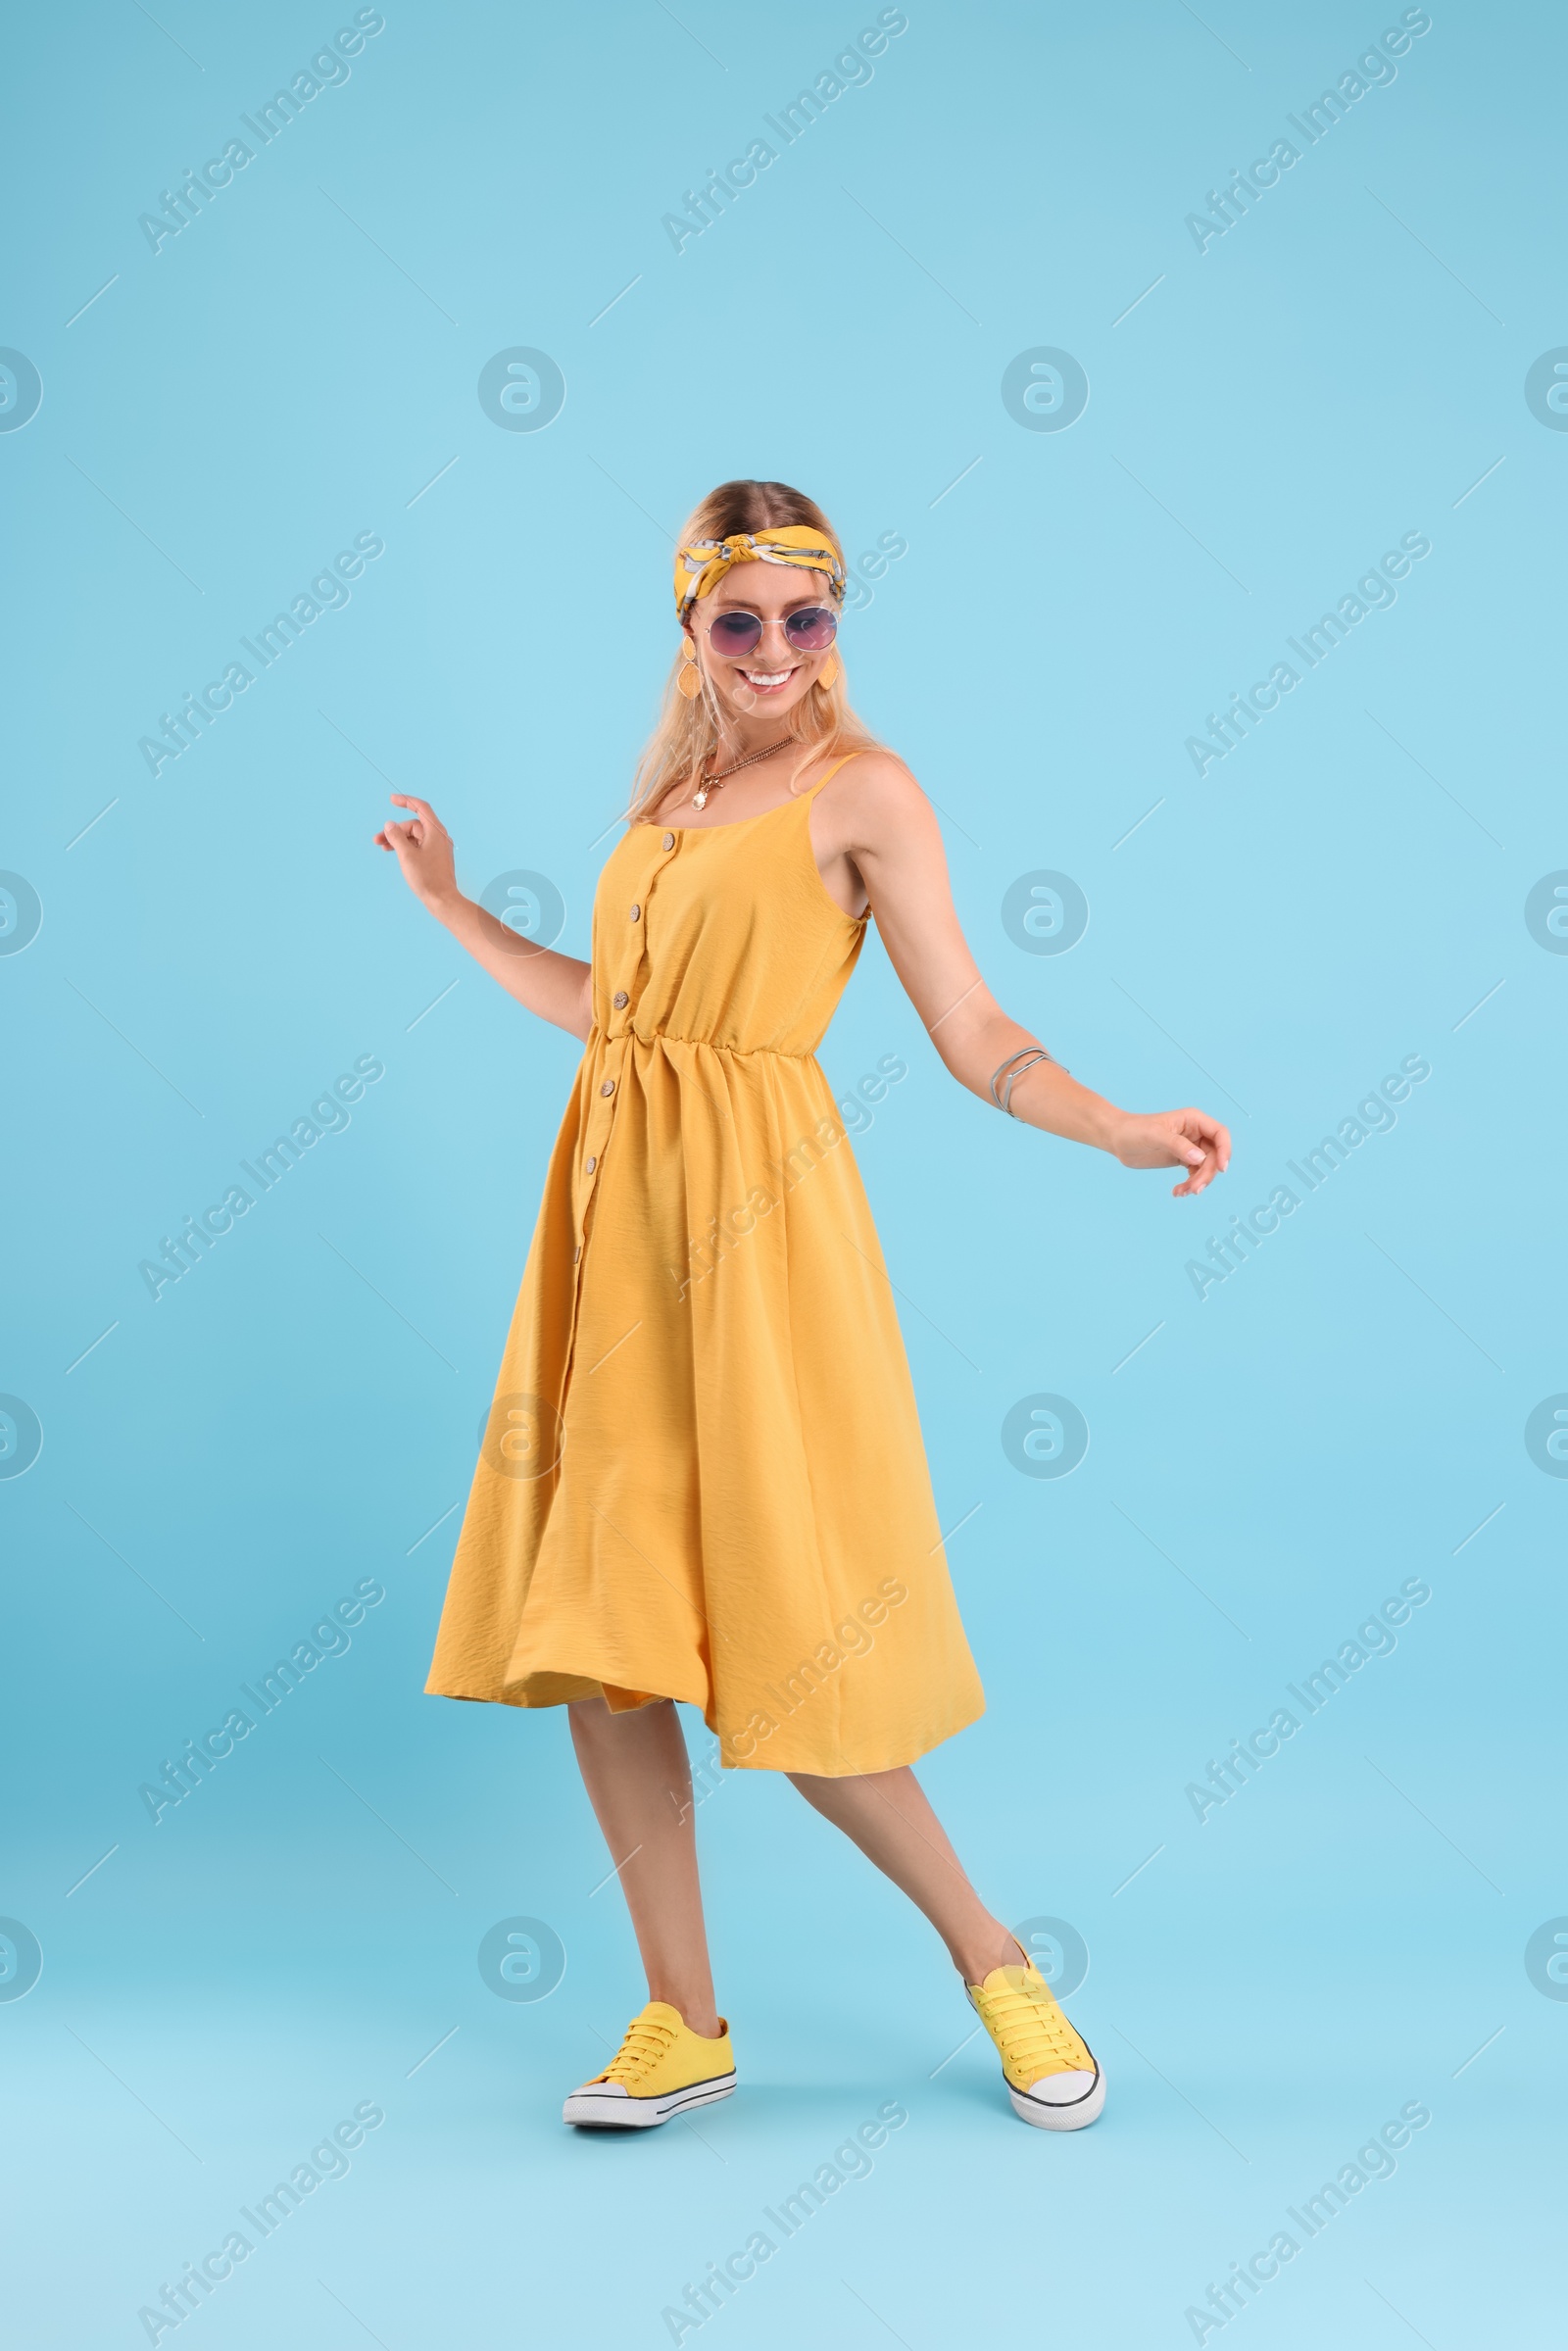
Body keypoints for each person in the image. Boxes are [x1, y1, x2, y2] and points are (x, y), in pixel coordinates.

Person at [376, 478, 1229, 2133]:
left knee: (791, 1630)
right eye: (740, 617)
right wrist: (453, 910)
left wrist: (1117, 1122)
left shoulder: (865, 793)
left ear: (838, 624)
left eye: (806, 616)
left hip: (752, 1241)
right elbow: (616, 1019)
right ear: (692, 625)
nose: (775, 649)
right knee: (607, 1641)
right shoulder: (675, 793)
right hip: (610, 1231)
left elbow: (972, 1029)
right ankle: (682, 2017)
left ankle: (994, 1959)